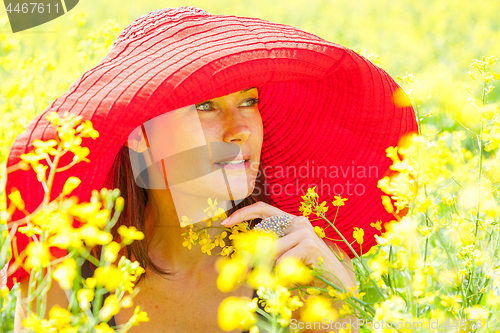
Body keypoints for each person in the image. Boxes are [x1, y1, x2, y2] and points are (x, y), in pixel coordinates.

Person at [4, 6, 418, 332]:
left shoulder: (295, 258)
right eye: (205, 107)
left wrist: (340, 303)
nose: (240, 130)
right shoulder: (67, 274)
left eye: (249, 101)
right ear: (140, 137)